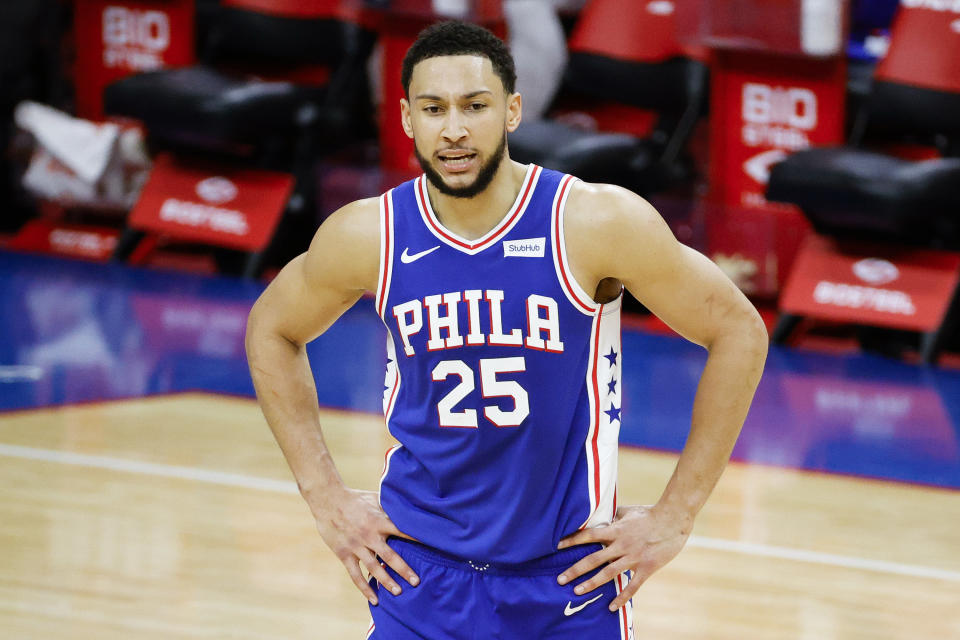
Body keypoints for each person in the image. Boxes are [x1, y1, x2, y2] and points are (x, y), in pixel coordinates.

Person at [246, 20, 767, 640]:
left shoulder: (595, 222)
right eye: (434, 109)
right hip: (418, 579)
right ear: (407, 118)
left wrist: (675, 517)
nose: (455, 129)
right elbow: (271, 330)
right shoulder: (371, 234)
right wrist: (325, 498)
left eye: (475, 106)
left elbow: (738, 330)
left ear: (513, 110)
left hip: (569, 581)